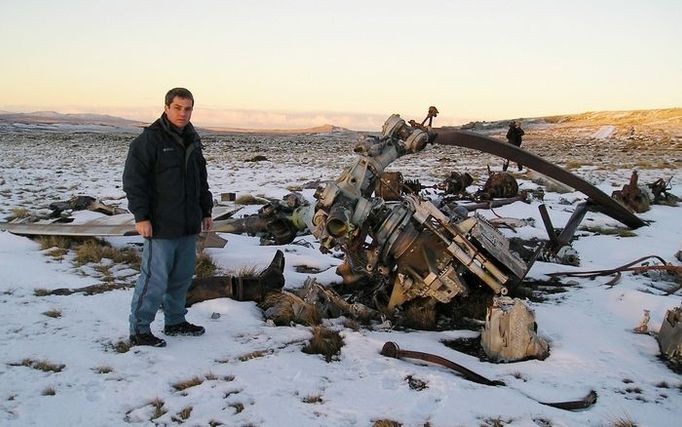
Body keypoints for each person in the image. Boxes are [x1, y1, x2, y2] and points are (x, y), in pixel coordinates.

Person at [123, 87, 213, 347]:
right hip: (160, 225)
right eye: (178, 108)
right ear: (166, 107)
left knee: (182, 278)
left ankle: (175, 321)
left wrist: (205, 210)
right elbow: (133, 182)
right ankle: (139, 330)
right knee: (154, 279)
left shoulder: (192, 139)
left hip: (187, 223)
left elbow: (200, 180)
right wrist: (141, 217)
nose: (183, 113)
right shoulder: (149, 141)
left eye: (188, 109)